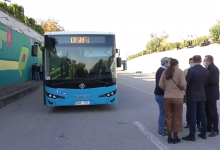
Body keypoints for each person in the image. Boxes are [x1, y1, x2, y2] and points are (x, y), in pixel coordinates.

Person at [159, 58, 187, 144]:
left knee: (168, 117)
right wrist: (182, 89)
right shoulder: (180, 72)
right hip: (178, 97)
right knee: (177, 117)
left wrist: (167, 90)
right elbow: (183, 84)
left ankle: (169, 137)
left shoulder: (165, 72)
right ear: (177, 64)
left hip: (167, 97)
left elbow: (160, 84)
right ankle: (175, 137)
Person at [182, 55, 209, 141]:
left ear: (193, 61)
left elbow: (187, 83)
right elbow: (206, 83)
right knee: (202, 114)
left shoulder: (191, 70)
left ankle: (192, 135)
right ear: (201, 60)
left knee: (192, 115)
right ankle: (204, 133)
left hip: (192, 95)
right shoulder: (205, 71)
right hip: (202, 94)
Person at [203, 55, 219, 137]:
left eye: (204, 60)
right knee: (207, 112)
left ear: (209, 61)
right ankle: (209, 127)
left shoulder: (214, 69)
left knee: (213, 112)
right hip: (206, 94)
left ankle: (215, 129)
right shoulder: (208, 68)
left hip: (211, 94)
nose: (203, 61)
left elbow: (213, 81)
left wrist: (203, 82)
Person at [184, 58, 201, 130]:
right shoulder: (185, 71)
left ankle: (198, 123)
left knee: (198, 110)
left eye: (192, 62)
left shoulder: (199, 70)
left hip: (198, 93)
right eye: (190, 62)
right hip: (188, 93)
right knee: (189, 109)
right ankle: (188, 122)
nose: (191, 63)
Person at [154, 57, 170, 136]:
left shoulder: (160, 70)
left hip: (159, 94)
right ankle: (161, 131)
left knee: (164, 112)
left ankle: (164, 127)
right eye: (169, 63)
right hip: (161, 95)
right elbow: (162, 85)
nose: (170, 64)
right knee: (163, 113)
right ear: (166, 63)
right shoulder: (163, 71)